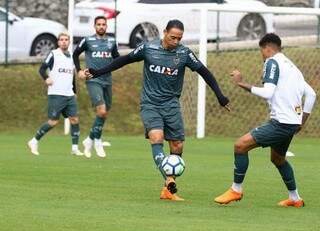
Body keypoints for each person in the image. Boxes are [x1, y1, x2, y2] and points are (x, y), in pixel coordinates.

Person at [86, 19, 230, 201]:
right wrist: (99, 72)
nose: (176, 41)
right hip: (150, 104)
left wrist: (220, 96)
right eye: (172, 37)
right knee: (157, 137)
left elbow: (205, 72)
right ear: (164, 32)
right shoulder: (148, 48)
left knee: (177, 145)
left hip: (171, 105)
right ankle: (169, 180)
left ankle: (167, 190)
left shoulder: (184, 53)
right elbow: (123, 60)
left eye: (179, 38)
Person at [214, 33, 316, 208]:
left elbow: (267, 92)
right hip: (291, 123)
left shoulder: (272, 62)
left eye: (261, 51)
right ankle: (295, 198)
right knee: (278, 159)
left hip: (281, 123)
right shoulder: (292, 67)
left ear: (267, 48)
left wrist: (241, 83)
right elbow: (312, 94)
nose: (261, 55)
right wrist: (302, 122)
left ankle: (236, 189)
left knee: (240, 145)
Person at [28, 32, 83, 156]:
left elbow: (72, 75)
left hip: (69, 95)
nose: (64, 41)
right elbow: (42, 69)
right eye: (61, 40)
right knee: (53, 121)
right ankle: (34, 141)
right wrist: (46, 78)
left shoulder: (72, 57)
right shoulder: (54, 54)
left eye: (66, 40)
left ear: (69, 42)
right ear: (58, 42)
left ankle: (75, 148)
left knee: (74, 120)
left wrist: (74, 92)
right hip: (56, 94)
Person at [73, 16, 119, 158]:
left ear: (106, 26)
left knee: (104, 113)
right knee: (102, 110)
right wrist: (79, 70)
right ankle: (97, 141)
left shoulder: (112, 41)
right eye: (98, 24)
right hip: (93, 80)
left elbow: (117, 58)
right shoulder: (88, 40)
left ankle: (89, 139)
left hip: (107, 80)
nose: (101, 26)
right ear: (94, 26)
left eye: (103, 24)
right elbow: (75, 54)